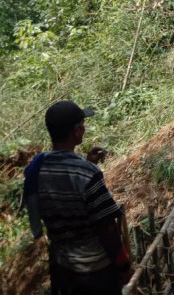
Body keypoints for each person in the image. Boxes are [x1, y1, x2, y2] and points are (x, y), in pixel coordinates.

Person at [23, 100, 130, 294]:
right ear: (77, 130)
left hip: (64, 268)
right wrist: (123, 265)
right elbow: (106, 228)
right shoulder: (87, 173)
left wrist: (86, 162)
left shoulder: (37, 169)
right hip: (96, 270)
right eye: (82, 124)